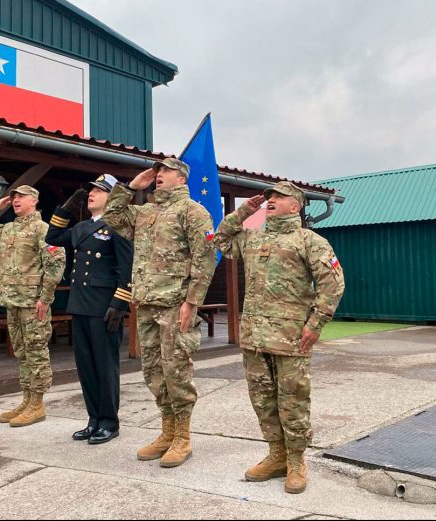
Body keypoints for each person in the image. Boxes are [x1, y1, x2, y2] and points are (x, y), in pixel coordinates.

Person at [212, 181, 345, 493]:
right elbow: (219, 239)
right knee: (262, 400)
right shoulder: (252, 238)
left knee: (293, 401)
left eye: (279, 196)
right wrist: (244, 210)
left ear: (295, 206)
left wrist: (315, 324)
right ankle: (276, 455)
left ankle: (297, 460)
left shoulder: (309, 240)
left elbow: (333, 284)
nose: (271, 200)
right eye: (269, 196)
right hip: (254, 338)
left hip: (291, 337)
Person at [102, 157, 217, 467]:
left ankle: (183, 437)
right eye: (157, 171)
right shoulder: (146, 212)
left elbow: (205, 259)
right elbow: (112, 215)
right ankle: (167, 431)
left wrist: (191, 303)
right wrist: (129, 187)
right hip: (147, 303)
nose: (159, 175)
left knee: (177, 370)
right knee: (153, 371)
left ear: (182, 179)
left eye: (166, 171)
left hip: (175, 304)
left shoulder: (193, 212)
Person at [45, 174, 133, 445]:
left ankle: (109, 422)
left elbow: (127, 267)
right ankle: (93, 419)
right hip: (81, 304)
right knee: (85, 366)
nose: (92, 193)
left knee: (105, 366)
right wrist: (68, 206)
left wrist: (120, 303)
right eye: (91, 190)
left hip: (104, 306)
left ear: (112, 197)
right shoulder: (83, 227)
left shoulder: (117, 226)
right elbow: (54, 235)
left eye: (99, 190)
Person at [0, 185, 66, 427]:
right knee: (22, 353)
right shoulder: (8, 229)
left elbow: (56, 265)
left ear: (34, 200)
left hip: (34, 304)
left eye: (21, 196)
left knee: (36, 352)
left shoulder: (43, 229)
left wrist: (45, 299)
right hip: (12, 301)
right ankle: (26, 399)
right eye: (13, 197)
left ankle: (38, 404)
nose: (15, 200)